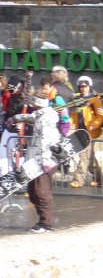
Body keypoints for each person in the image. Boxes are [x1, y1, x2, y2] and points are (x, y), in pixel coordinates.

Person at [11, 76, 59, 232]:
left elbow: (47, 140)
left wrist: (45, 161)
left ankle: (46, 223)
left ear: (39, 104)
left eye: (33, 103)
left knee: (41, 192)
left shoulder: (46, 119)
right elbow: (30, 117)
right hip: (35, 161)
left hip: (44, 161)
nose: (32, 106)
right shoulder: (39, 115)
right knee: (32, 192)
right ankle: (49, 216)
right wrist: (15, 118)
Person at [69, 76, 103, 188]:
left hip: (90, 132)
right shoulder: (77, 100)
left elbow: (100, 116)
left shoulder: (95, 100)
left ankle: (78, 180)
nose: (83, 89)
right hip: (80, 131)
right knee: (90, 157)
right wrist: (68, 123)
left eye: (85, 86)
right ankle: (99, 179)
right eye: (81, 87)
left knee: (84, 156)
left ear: (89, 86)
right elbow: (74, 115)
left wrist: (94, 124)